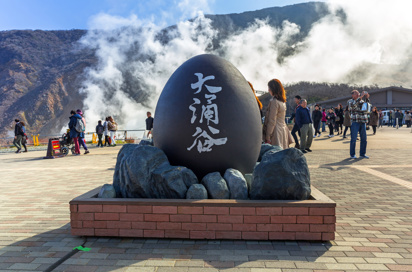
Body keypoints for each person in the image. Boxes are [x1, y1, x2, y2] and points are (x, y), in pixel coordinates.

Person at [262, 79, 294, 149]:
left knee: (275, 155)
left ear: (273, 89)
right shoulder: (282, 102)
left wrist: (267, 136)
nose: (268, 90)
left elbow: (272, 121)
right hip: (283, 130)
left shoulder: (274, 102)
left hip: (275, 132)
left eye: (269, 88)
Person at [348, 90, 370, 159]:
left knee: (364, 138)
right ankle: (352, 154)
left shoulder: (362, 101)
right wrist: (360, 98)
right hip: (355, 121)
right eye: (356, 94)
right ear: (352, 95)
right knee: (353, 138)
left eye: (359, 94)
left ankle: (362, 154)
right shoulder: (350, 101)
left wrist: (366, 98)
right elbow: (353, 107)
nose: (358, 95)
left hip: (362, 121)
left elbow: (367, 108)